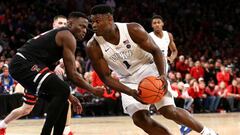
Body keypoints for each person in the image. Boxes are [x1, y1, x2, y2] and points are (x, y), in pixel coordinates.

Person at [87, 4, 218, 135]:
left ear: (110, 18)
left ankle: (207, 132)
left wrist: (163, 75)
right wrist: (130, 92)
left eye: (97, 21)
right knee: (139, 119)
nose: (93, 25)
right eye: (92, 22)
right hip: (127, 80)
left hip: (149, 70)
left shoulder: (132, 29)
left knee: (168, 111)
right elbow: (106, 77)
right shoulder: (93, 46)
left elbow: (156, 51)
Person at [0, 12, 104, 135]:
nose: (84, 30)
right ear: (70, 24)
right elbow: (72, 75)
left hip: (29, 66)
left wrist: (70, 97)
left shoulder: (54, 41)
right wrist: (93, 90)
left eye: (86, 27)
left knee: (63, 101)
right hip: (24, 64)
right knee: (63, 90)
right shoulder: (67, 36)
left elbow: (54, 75)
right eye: (81, 26)